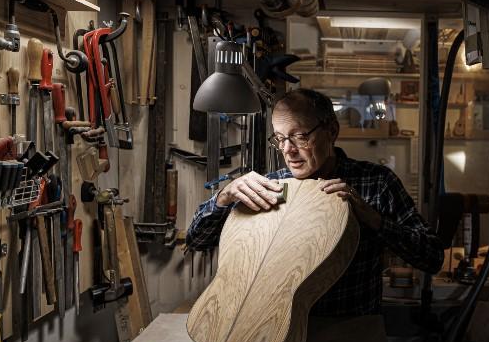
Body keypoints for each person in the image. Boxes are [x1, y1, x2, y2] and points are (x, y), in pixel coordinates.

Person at [187, 88, 444, 316]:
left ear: (331, 131)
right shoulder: (271, 187)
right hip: (279, 331)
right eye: (279, 138)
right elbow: (197, 241)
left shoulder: (376, 183)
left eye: (299, 136)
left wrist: (374, 220)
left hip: (352, 334)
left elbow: (432, 258)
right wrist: (224, 197)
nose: (287, 150)